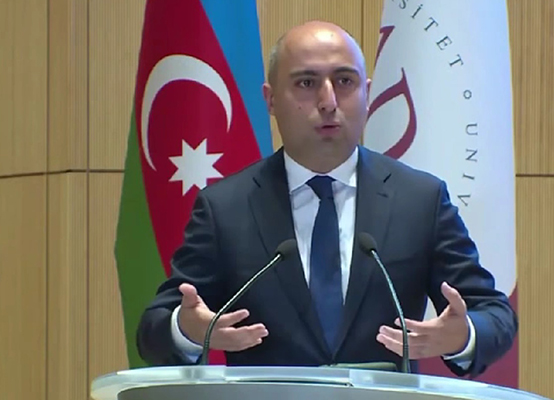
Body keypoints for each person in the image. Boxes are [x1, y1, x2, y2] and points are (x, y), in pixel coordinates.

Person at [136, 20, 517, 377]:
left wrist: (463, 336)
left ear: (367, 93)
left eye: (345, 81)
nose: (329, 101)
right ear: (270, 100)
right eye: (306, 83)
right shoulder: (226, 208)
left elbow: (494, 313)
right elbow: (153, 329)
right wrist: (186, 329)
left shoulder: (420, 200)